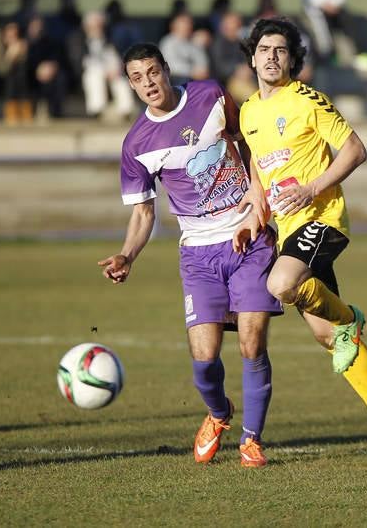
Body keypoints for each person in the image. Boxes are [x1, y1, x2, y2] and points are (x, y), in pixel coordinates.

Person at [98, 43, 282, 468]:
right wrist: (127, 255)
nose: (148, 83)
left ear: (166, 69)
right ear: (130, 85)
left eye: (152, 72)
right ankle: (219, 413)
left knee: (252, 342)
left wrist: (257, 195)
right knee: (204, 359)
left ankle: (252, 440)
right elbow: (144, 212)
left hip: (248, 237)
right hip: (198, 255)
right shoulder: (136, 144)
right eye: (137, 78)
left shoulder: (209, 94)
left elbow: (248, 140)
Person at [237, 17, 367, 464]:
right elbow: (258, 165)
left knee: (281, 284)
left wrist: (313, 188)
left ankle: (350, 318)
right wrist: (255, 209)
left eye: (281, 50)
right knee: (328, 337)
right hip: (289, 231)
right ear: (252, 58)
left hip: (322, 220)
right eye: (264, 49)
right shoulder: (248, 111)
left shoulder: (307, 100)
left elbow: (355, 149)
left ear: (292, 60)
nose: (272, 57)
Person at [80, 11, 135, 120]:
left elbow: (116, 57)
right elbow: (80, 62)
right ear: (86, 27)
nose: (98, 29)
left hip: (112, 71)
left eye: (100, 26)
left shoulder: (111, 40)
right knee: (93, 76)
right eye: (94, 26)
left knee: (120, 79)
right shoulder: (78, 40)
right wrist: (104, 71)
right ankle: (96, 111)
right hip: (90, 72)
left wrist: (115, 69)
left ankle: (126, 111)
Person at [0, 21, 33, 125]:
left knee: (20, 72)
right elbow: (1, 69)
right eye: (10, 29)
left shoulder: (21, 41)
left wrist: (21, 53)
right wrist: (10, 55)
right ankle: (11, 112)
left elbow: (26, 64)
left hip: (18, 76)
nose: (13, 33)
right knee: (11, 77)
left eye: (15, 30)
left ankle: (25, 110)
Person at [26, 15, 68, 119]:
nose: (37, 29)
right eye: (34, 26)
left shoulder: (49, 42)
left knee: (60, 77)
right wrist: (38, 69)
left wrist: (50, 67)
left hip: (49, 72)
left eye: (39, 26)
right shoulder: (25, 43)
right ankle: (29, 111)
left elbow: (56, 58)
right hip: (30, 73)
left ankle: (55, 112)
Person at [210, 11, 255, 103]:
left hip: (248, 78)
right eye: (233, 23)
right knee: (253, 96)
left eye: (238, 23)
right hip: (227, 82)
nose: (237, 25)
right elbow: (220, 67)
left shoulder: (242, 43)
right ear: (224, 26)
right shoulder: (218, 43)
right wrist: (237, 69)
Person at [159, 12, 210, 84]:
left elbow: (202, 62)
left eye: (189, 24)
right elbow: (171, 65)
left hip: (197, 77)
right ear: (174, 27)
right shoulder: (168, 42)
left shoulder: (194, 41)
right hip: (177, 79)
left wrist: (201, 70)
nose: (188, 26)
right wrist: (192, 71)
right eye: (184, 24)